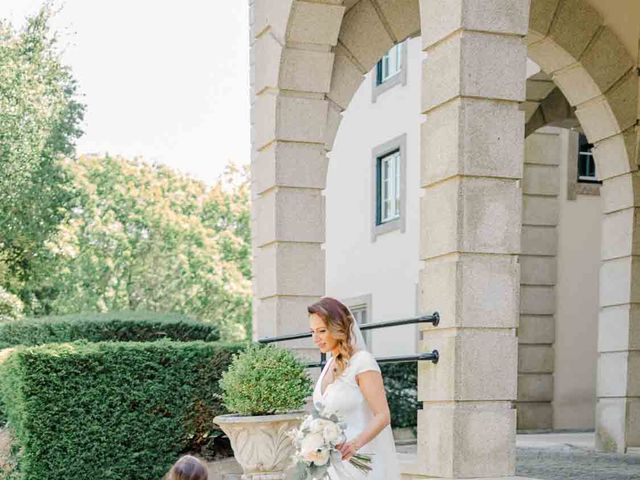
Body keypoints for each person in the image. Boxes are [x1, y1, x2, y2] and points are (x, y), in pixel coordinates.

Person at [308, 297, 400, 479]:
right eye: (312, 332)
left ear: (337, 328)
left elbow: (383, 415)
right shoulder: (329, 364)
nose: (315, 338)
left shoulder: (362, 362)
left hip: (359, 461)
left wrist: (353, 445)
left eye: (322, 331)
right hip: (330, 465)